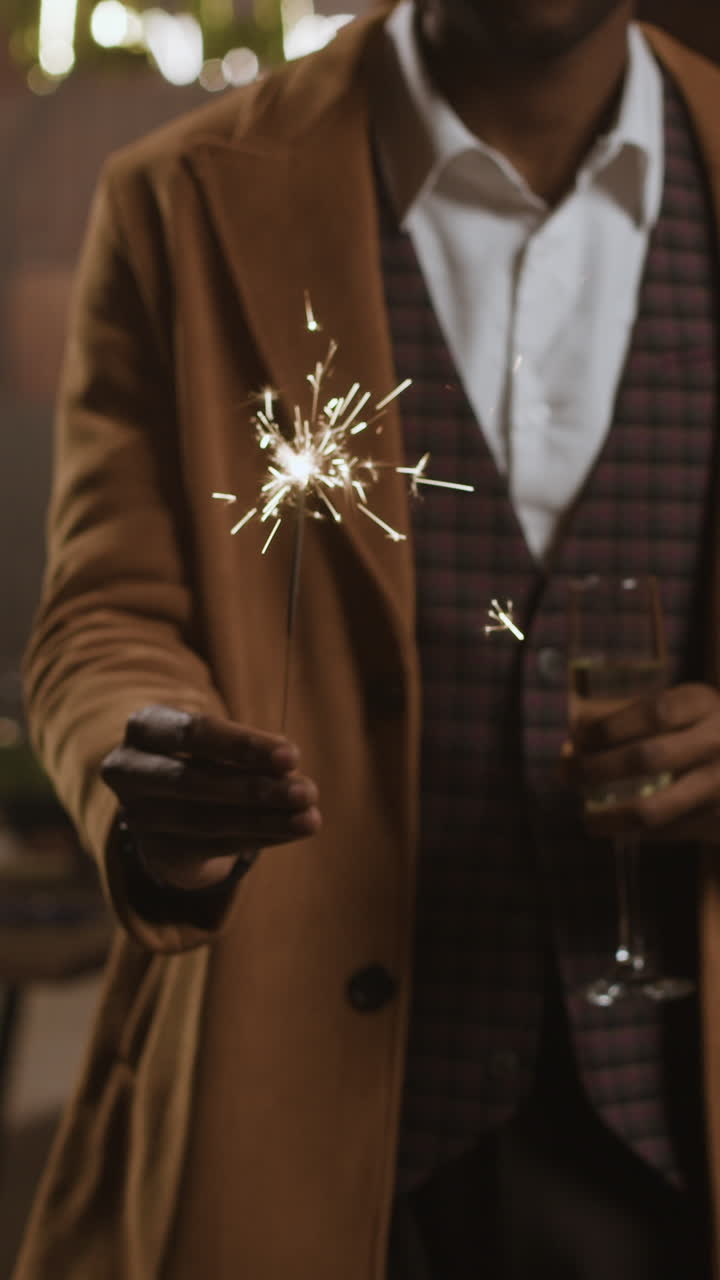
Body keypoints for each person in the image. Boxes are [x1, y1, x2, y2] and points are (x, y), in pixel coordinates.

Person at [16, 0, 720, 1275]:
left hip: (684, 1132)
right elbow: (104, 609)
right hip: (295, 1105)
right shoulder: (177, 197)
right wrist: (156, 768)